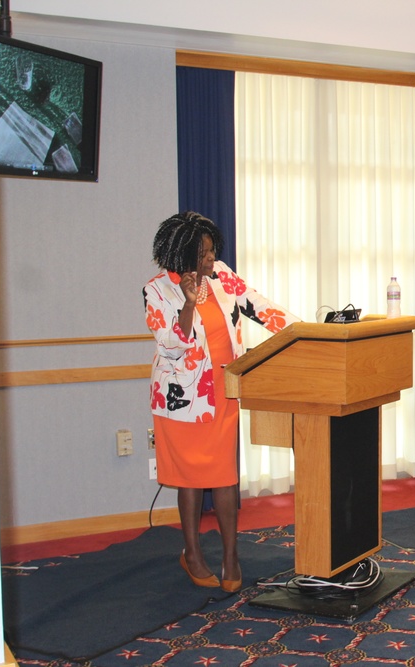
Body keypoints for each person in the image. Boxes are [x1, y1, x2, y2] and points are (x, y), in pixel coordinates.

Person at [143, 211, 300, 592]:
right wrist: (188, 303)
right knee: (190, 479)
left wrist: (304, 331)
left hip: (222, 389)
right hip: (182, 398)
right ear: (182, 255)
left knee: (225, 475)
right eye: (204, 254)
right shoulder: (157, 290)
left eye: (212, 250)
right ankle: (193, 554)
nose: (212, 258)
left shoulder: (222, 276)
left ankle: (231, 556)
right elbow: (172, 345)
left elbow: (259, 306)